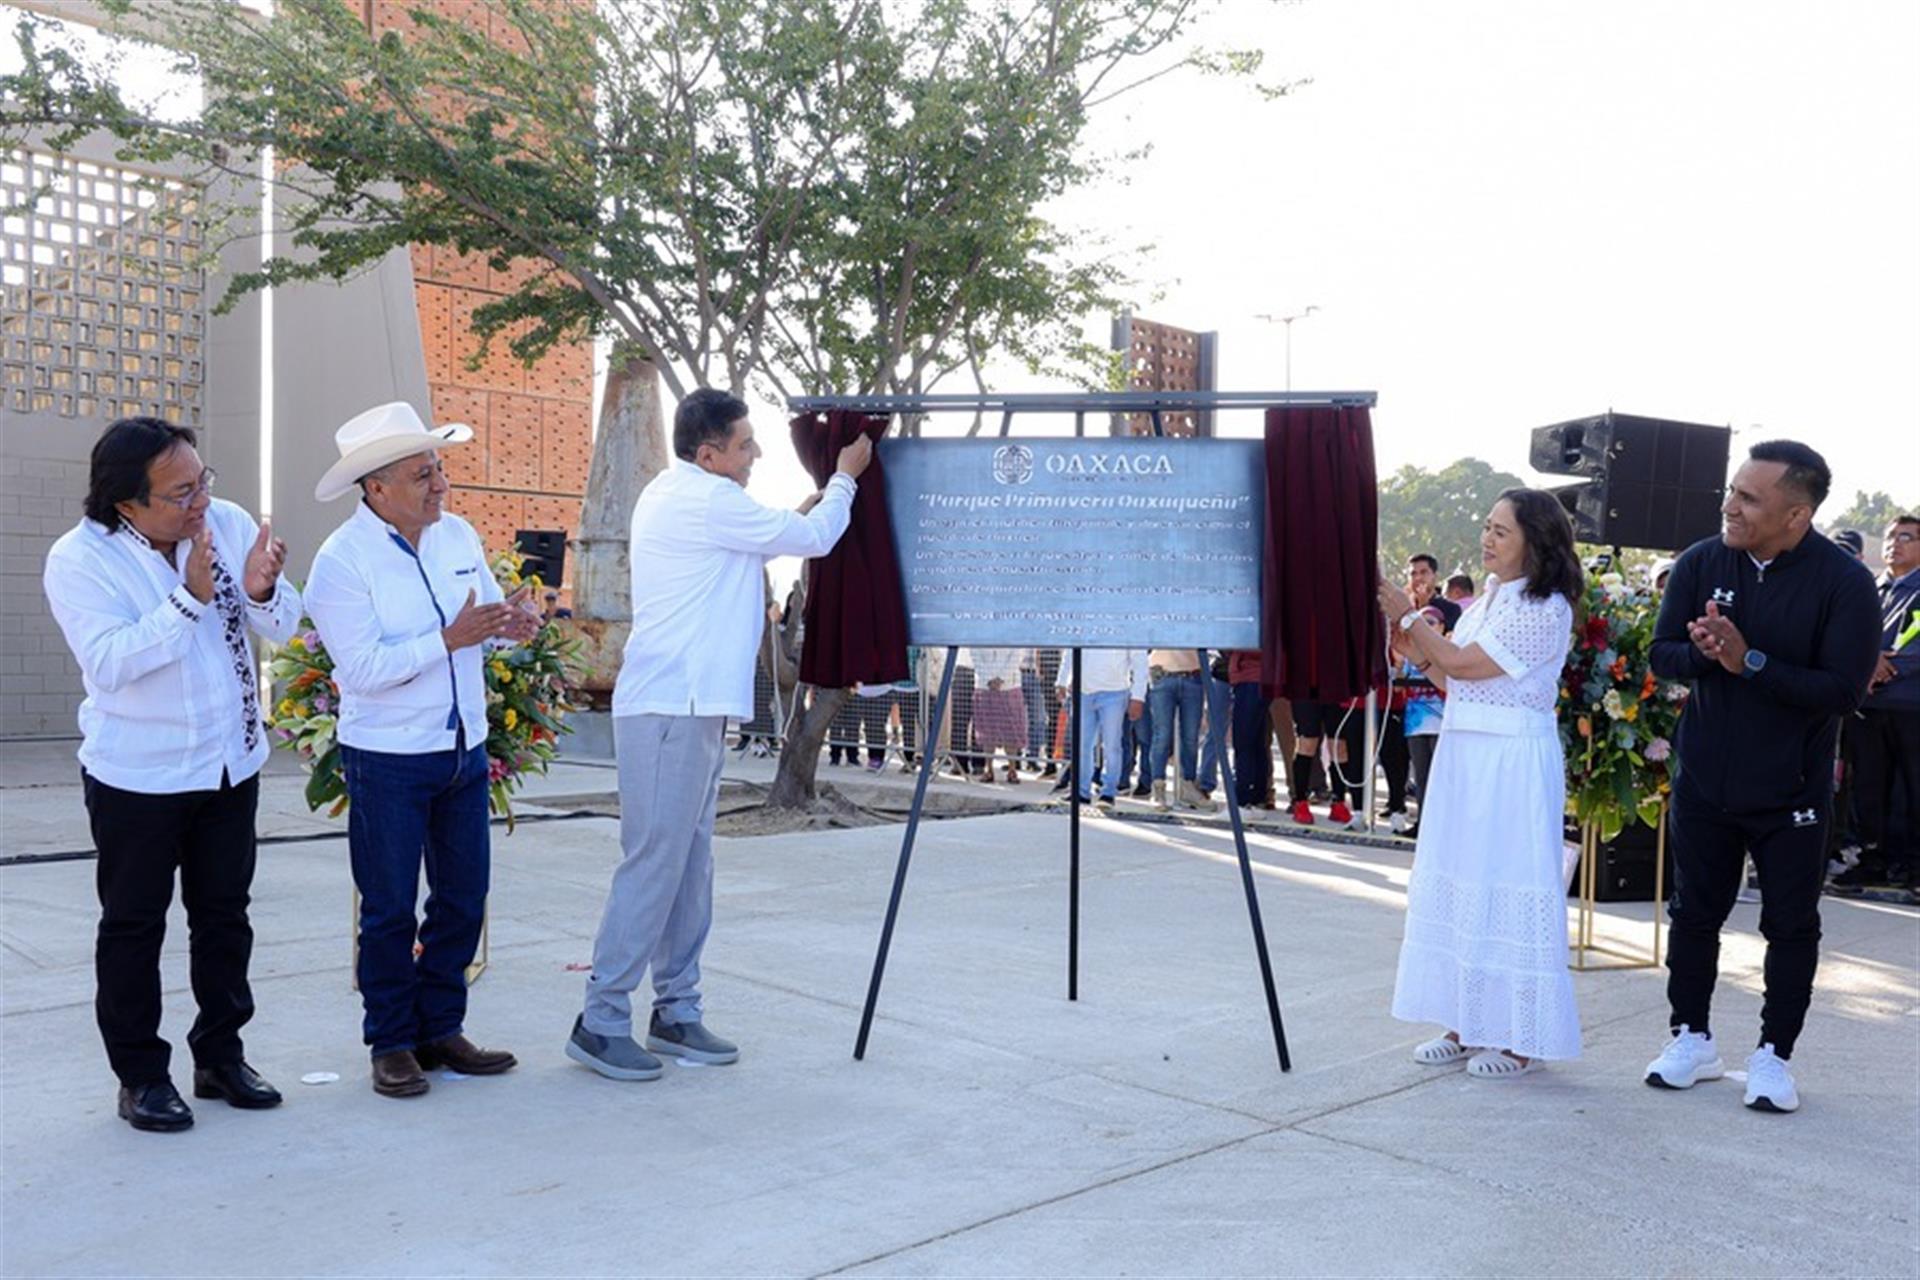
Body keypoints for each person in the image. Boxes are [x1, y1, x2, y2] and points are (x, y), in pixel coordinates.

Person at [567, 389, 870, 1081]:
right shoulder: (704, 500)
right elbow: (817, 537)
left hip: (688, 707)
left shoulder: (687, 496)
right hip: (673, 707)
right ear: (709, 454)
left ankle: (675, 1008)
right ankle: (602, 1018)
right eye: (744, 443)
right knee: (655, 863)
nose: (756, 453)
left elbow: (778, 528)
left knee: (689, 865)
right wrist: (846, 476)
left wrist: (819, 498)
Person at [45, 417, 300, 1132]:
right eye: (180, 491)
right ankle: (142, 1077)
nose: (200, 502)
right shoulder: (80, 559)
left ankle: (220, 1057)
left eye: (202, 479)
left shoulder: (226, 522)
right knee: (134, 927)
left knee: (225, 920)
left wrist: (259, 588)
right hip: (139, 776)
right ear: (127, 503)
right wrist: (187, 598)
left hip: (229, 763)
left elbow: (285, 625)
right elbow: (113, 664)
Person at [305, 402, 539, 1099]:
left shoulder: (457, 535)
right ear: (375, 489)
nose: (440, 486)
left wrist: (514, 625)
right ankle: (392, 1041)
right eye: (421, 474)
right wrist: (450, 641)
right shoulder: (340, 563)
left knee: (464, 897)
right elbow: (365, 670)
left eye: (438, 469)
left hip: (462, 747)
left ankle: (441, 1026)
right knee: (388, 907)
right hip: (387, 758)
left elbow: (487, 624)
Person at [1642, 441, 1880, 1113]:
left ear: (1797, 514)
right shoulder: (1701, 561)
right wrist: (1706, 654)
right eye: (1732, 490)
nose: (1730, 505)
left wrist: (1750, 662)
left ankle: (1774, 1057)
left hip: (1791, 793)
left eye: (1749, 498)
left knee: (1790, 925)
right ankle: (1691, 1038)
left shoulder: (1844, 583)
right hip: (1706, 781)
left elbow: (1841, 691)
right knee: (1693, 916)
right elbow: (1664, 655)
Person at [1380, 488, 1585, 1079]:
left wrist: (1410, 614)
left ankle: (1519, 1038)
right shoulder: (1489, 601)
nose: (1488, 539)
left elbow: (1471, 665)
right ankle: (1464, 1022)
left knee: (1508, 879)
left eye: (1502, 531)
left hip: (1512, 762)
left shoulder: (1545, 608)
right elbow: (1454, 678)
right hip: (1466, 751)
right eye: (1488, 527)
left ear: (1535, 542)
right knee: (1463, 876)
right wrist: (1418, 654)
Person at [1831, 515, 1920, 901]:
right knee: (1867, 786)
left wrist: (1890, 666)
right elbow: (1844, 634)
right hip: (1866, 702)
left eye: (1906, 537)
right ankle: (1872, 858)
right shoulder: (1868, 588)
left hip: (1911, 703)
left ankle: (1913, 865)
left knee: (1913, 788)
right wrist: (1865, 663)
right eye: (1889, 536)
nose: (1894, 544)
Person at [1056, 649, 1148, 809]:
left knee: (1112, 746)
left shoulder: (1128, 624)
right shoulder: (1082, 623)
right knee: (1081, 746)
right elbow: (1070, 649)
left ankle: (1108, 793)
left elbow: (1140, 661)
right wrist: (1061, 681)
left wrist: (1138, 696)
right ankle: (1081, 792)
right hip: (1082, 692)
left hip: (1115, 693)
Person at [1146, 648, 1215, 810]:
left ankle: (1188, 786)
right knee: (1162, 736)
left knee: (1191, 737)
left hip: (1193, 676)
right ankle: (1158, 788)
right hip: (1162, 674)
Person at [969, 647, 1031, 783]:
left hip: (1010, 686)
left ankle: (1012, 769)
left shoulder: (1012, 629)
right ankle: (988, 768)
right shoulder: (977, 630)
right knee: (986, 731)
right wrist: (989, 679)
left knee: (1012, 731)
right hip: (984, 687)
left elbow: (1016, 655)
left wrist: (1001, 678)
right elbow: (976, 657)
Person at [1226, 650, 1273, 808]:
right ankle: (1257, 796)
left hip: (1250, 676)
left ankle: (1242, 800)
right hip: (1257, 677)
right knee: (1256, 743)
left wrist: (1232, 646)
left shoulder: (1255, 626)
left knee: (1243, 742)